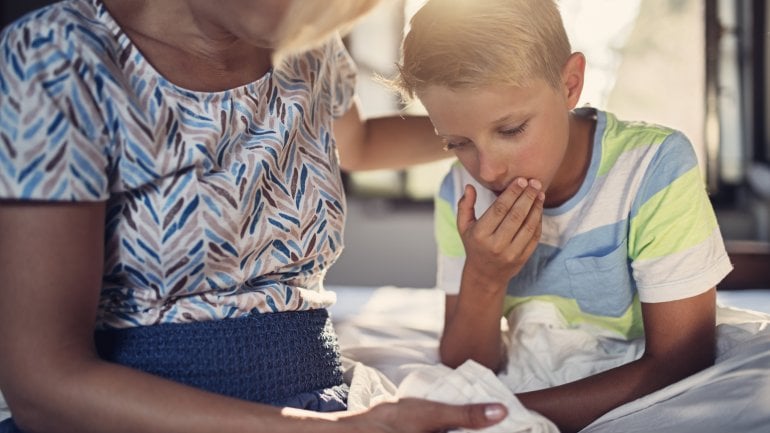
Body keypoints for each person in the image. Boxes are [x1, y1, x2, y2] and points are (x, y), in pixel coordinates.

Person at [0, 0, 510, 431]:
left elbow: (358, 143)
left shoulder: (306, 38)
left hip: (325, 396)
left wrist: (504, 128)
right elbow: (42, 386)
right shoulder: (59, 58)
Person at [392, 0, 733, 431]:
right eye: (456, 143)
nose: (488, 170)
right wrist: (485, 276)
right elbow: (466, 363)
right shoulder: (460, 193)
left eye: (511, 130)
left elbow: (683, 358)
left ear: (570, 83)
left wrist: (501, 413)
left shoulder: (653, 167)